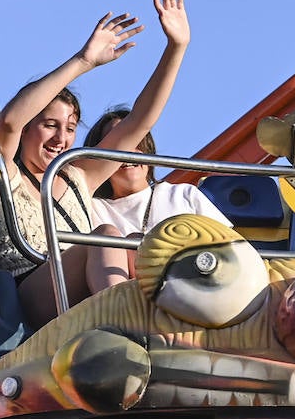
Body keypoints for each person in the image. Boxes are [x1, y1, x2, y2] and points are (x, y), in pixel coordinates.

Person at [0, 0, 191, 329]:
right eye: (50, 125)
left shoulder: (77, 177)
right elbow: (8, 122)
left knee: (135, 245)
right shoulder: (4, 176)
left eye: (69, 128)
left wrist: (177, 47)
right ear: (28, 128)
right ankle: (124, 330)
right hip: (33, 299)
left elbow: (140, 120)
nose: (61, 138)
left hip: (85, 291)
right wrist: (83, 62)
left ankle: (166, 328)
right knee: (108, 233)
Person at [82, 106, 232, 291]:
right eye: (119, 142)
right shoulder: (90, 208)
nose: (130, 151)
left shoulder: (183, 195)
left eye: (138, 141)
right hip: (128, 304)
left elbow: (230, 249)